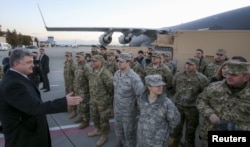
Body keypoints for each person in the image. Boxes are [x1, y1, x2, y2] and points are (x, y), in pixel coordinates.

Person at [0, 49, 83, 147]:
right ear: (16, 64)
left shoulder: (17, 78)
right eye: (28, 62)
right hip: (26, 139)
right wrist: (64, 102)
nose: (33, 65)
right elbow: (35, 107)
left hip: (29, 132)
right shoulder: (13, 84)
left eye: (32, 61)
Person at [196, 61, 250, 147]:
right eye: (228, 73)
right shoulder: (214, 86)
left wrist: (238, 127)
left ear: (247, 77)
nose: (228, 76)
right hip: (210, 133)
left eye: (234, 75)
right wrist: (209, 113)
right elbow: (201, 100)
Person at [169, 57, 209, 147]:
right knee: (176, 128)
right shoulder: (178, 75)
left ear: (197, 66)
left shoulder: (202, 79)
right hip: (178, 107)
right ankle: (175, 143)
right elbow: (173, 87)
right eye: (187, 64)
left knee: (190, 131)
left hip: (192, 109)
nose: (188, 66)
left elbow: (205, 94)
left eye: (191, 64)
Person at [137, 74, 180, 147]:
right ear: (149, 86)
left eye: (161, 85)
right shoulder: (142, 99)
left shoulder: (166, 103)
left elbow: (174, 121)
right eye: (157, 85)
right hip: (142, 139)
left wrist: (162, 132)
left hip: (157, 142)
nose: (160, 87)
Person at [113, 53, 145, 147]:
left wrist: (141, 113)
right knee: (119, 130)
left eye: (121, 62)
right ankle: (121, 142)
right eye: (118, 61)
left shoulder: (134, 78)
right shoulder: (116, 74)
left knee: (129, 133)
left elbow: (140, 96)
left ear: (128, 63)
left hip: (128, 112)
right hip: (117, 109)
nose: (119, 63)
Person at [87, 55, 114, 146]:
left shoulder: (106, 73)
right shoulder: (92, 71)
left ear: (100, 62)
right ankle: (98, 130)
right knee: (95, 116)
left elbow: (111, 88)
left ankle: (104, 135)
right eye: (92, 61)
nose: (92, 63)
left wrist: (106, 98)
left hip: (103, 101)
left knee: (103, 119)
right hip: (94, 99)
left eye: (94, 61)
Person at [73, 52, 91, 129]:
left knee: (84, 106)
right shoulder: (77, 66)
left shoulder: (86, 67)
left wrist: (88, 91)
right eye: (76, 57)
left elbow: (90, 79)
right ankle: (81, 117)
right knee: (79, 105)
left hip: (84, 91)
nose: (77, 59)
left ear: (84, 57)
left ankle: (86, 121)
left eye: (79, 57)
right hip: (77, 90)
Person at [63, 52, 77, 119]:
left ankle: (74, 111)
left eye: (68, 56)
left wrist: (74, 84)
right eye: (66, 56)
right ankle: (69, 108)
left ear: (71, 57)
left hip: (71, 84)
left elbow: (76, 75)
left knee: (72, 97)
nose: (67, 57)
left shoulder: (73, 65)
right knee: (67, 96)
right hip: (67, 83)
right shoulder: (66, 64)